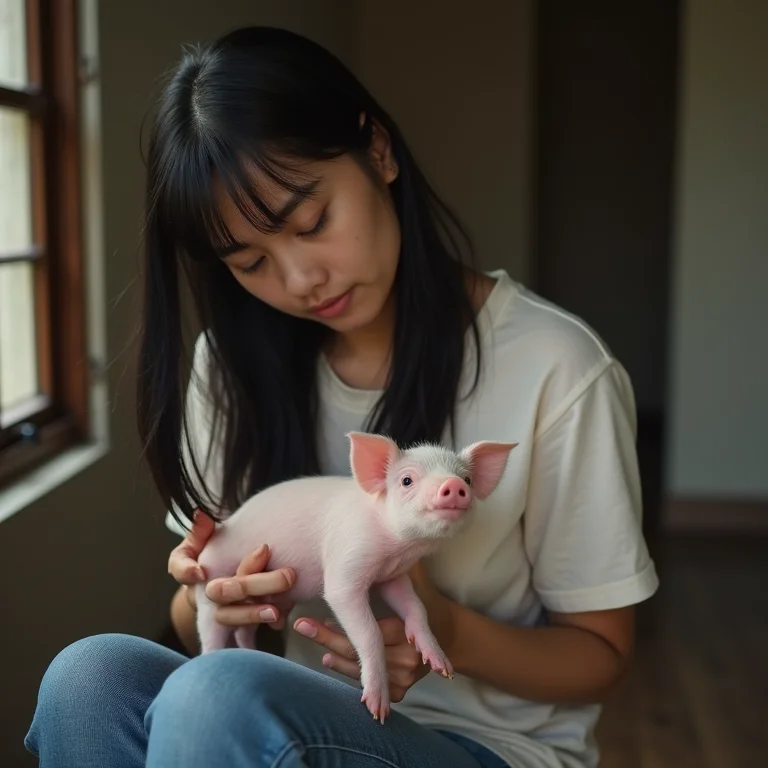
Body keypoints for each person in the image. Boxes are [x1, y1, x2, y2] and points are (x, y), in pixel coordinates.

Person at [25, 25, 659, 768]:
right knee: (88, 677)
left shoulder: (556, 367)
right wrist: (221, 599)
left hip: (488, 747)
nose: (300, 281)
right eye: (251, 261)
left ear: (378, 150)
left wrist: (444, 633)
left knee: (216, 697)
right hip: (258, 713)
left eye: (312, 222)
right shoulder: (227, 366)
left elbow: (602, 657)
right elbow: (193, 615)